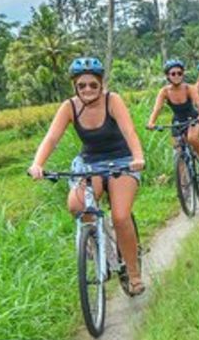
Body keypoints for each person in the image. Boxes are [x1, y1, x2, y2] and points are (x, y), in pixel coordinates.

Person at [29, 56, 147, 294]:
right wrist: (37, 164)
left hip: (122, 162)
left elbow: (129, 130)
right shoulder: (69, 107)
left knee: (121, 217)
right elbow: (52, 138)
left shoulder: (112, 100)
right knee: (76, 205)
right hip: (90, 163)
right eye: (82, 85)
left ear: (101, 83)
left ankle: (133, 273)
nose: (87, 89)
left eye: (93, 84)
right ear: (75, 86)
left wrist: (137, 157)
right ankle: (98, 244)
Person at [145, 58, 199, 168]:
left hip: (193, 118)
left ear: (183, 74)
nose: (176, 76)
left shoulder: (189, 88)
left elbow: (198, 103)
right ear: (167, 76)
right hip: (177, 120)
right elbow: (157, 108)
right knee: (177, 149)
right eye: (173, 74)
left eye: (179, 73)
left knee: (192, 139)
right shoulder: (164, 91)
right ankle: (183, 181)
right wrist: (151, 122)